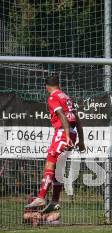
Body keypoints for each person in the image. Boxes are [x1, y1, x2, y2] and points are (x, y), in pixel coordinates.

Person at [25, 76, 85, 211]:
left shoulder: (53, 97)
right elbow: (77, 119)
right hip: (72, 133)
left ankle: (41, 197)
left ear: (46, 86)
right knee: (58, 168)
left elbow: (61, 115)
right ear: (58, 84)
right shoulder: (66, 97)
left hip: (63, 134)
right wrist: (81, 140)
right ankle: (55, 201)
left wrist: (67, 135)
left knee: (50, 163)